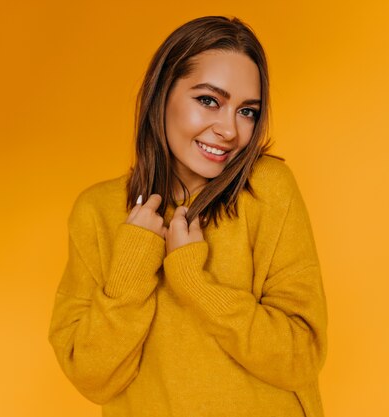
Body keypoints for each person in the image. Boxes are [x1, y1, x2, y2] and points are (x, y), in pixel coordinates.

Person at [48, 15, 328, 417]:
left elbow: (301, 355)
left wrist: (196, 284)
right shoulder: (98, 212)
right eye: (209, 100)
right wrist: (134, 261)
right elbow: (92, 376)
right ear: (162, 94)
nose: (229, 130)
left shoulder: (267, 189)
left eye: (247, 111)